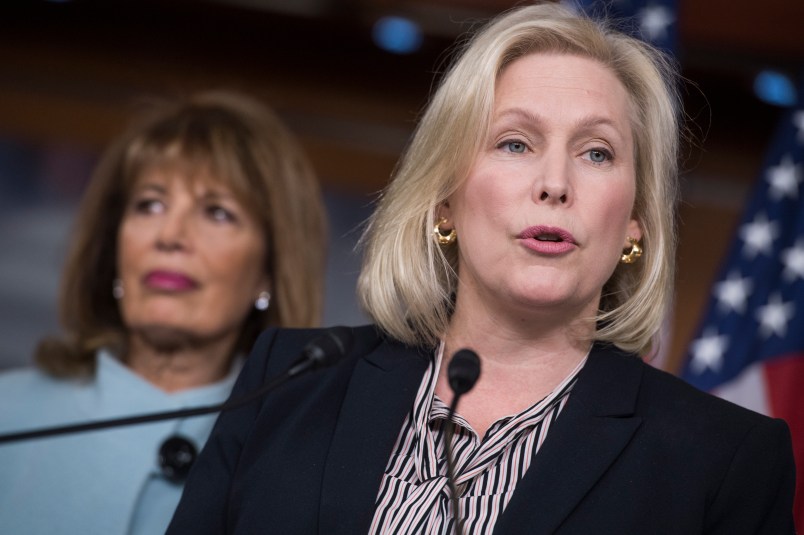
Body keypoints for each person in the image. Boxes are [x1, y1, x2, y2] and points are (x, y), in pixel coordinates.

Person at [168, 4, 796, 534]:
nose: (555, 184)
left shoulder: (725, 459)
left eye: (597, 153)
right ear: (444, 199)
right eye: (515, 143)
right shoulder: (288, 382)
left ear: (637, 220)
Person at [0, 90, 327, 535]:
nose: (169, 235)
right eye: (149, 205)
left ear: (268, 272)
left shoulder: (291, 462)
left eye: (217, 212)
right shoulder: (10, 411)